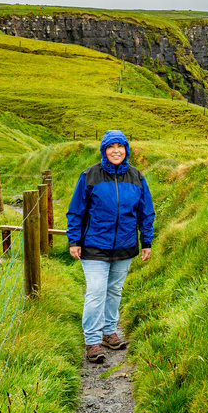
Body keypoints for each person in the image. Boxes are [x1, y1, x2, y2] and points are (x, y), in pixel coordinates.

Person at [67, 129, 155, 364]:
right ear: (104, 151)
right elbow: (76, 210)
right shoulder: (90, 175)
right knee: (96, 292)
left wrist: (146, 241)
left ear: (126, 150)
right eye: (111, 147)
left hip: (125, 245)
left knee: (114, 291)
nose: (116, 151)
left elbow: (146, 212)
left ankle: (109, 333)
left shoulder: (137, 177)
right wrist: (74, 240)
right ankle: (93, 341)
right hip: (94, 245)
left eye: (120, 146)